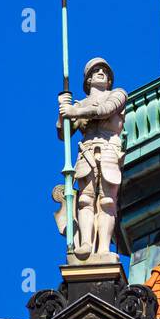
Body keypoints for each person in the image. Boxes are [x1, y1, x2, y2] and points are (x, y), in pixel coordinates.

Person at [55, 58, 127, 259]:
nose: (102, 72)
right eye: (96, 70)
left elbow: (105, 111)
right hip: (86, 151)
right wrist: (63, 112)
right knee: (85, 200)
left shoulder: (118, 94)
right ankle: (86, 243)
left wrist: (75, 111)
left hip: (109, 149)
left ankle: (103, 248)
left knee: (107, 201)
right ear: (88, 79)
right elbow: (63, 134)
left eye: (105, 70)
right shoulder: (78, 104)